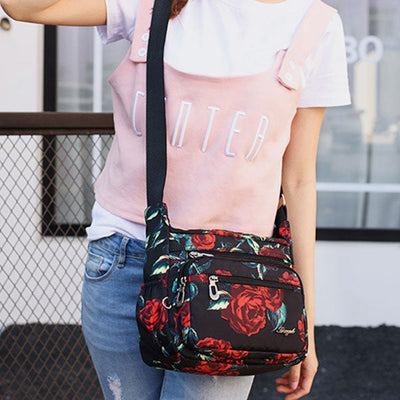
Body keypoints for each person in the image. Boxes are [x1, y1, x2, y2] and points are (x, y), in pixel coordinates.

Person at [2, 0, 351, 399]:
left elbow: (300, 179)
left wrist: (302, 317)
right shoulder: (158, 4)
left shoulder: (316, 25)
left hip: (231, 281)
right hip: (126, 259)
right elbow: (22, 6)